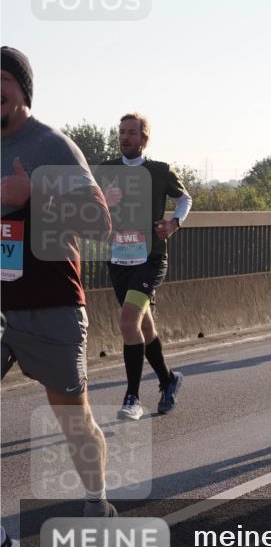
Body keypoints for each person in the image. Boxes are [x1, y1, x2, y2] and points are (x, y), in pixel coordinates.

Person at [1, 46, 118, 547]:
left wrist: (32, 193)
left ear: (22, 91)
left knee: (73, 418)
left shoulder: (52, 145)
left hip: (49, 301)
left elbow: (98, 223)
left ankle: (96, 500)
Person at [96, 113, 191, 420]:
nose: (125, 137)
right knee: (144, 327)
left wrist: (174, 223)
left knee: (128, 323)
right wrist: (103, 200)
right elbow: (84, 202)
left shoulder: (159, 171)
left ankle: (132, 398)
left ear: (144, 139)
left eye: (132, 133)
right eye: (122, 132)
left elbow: (185, 199)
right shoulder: (107, 170)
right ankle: (168, 380)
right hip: (119, 258)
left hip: (151, 259)